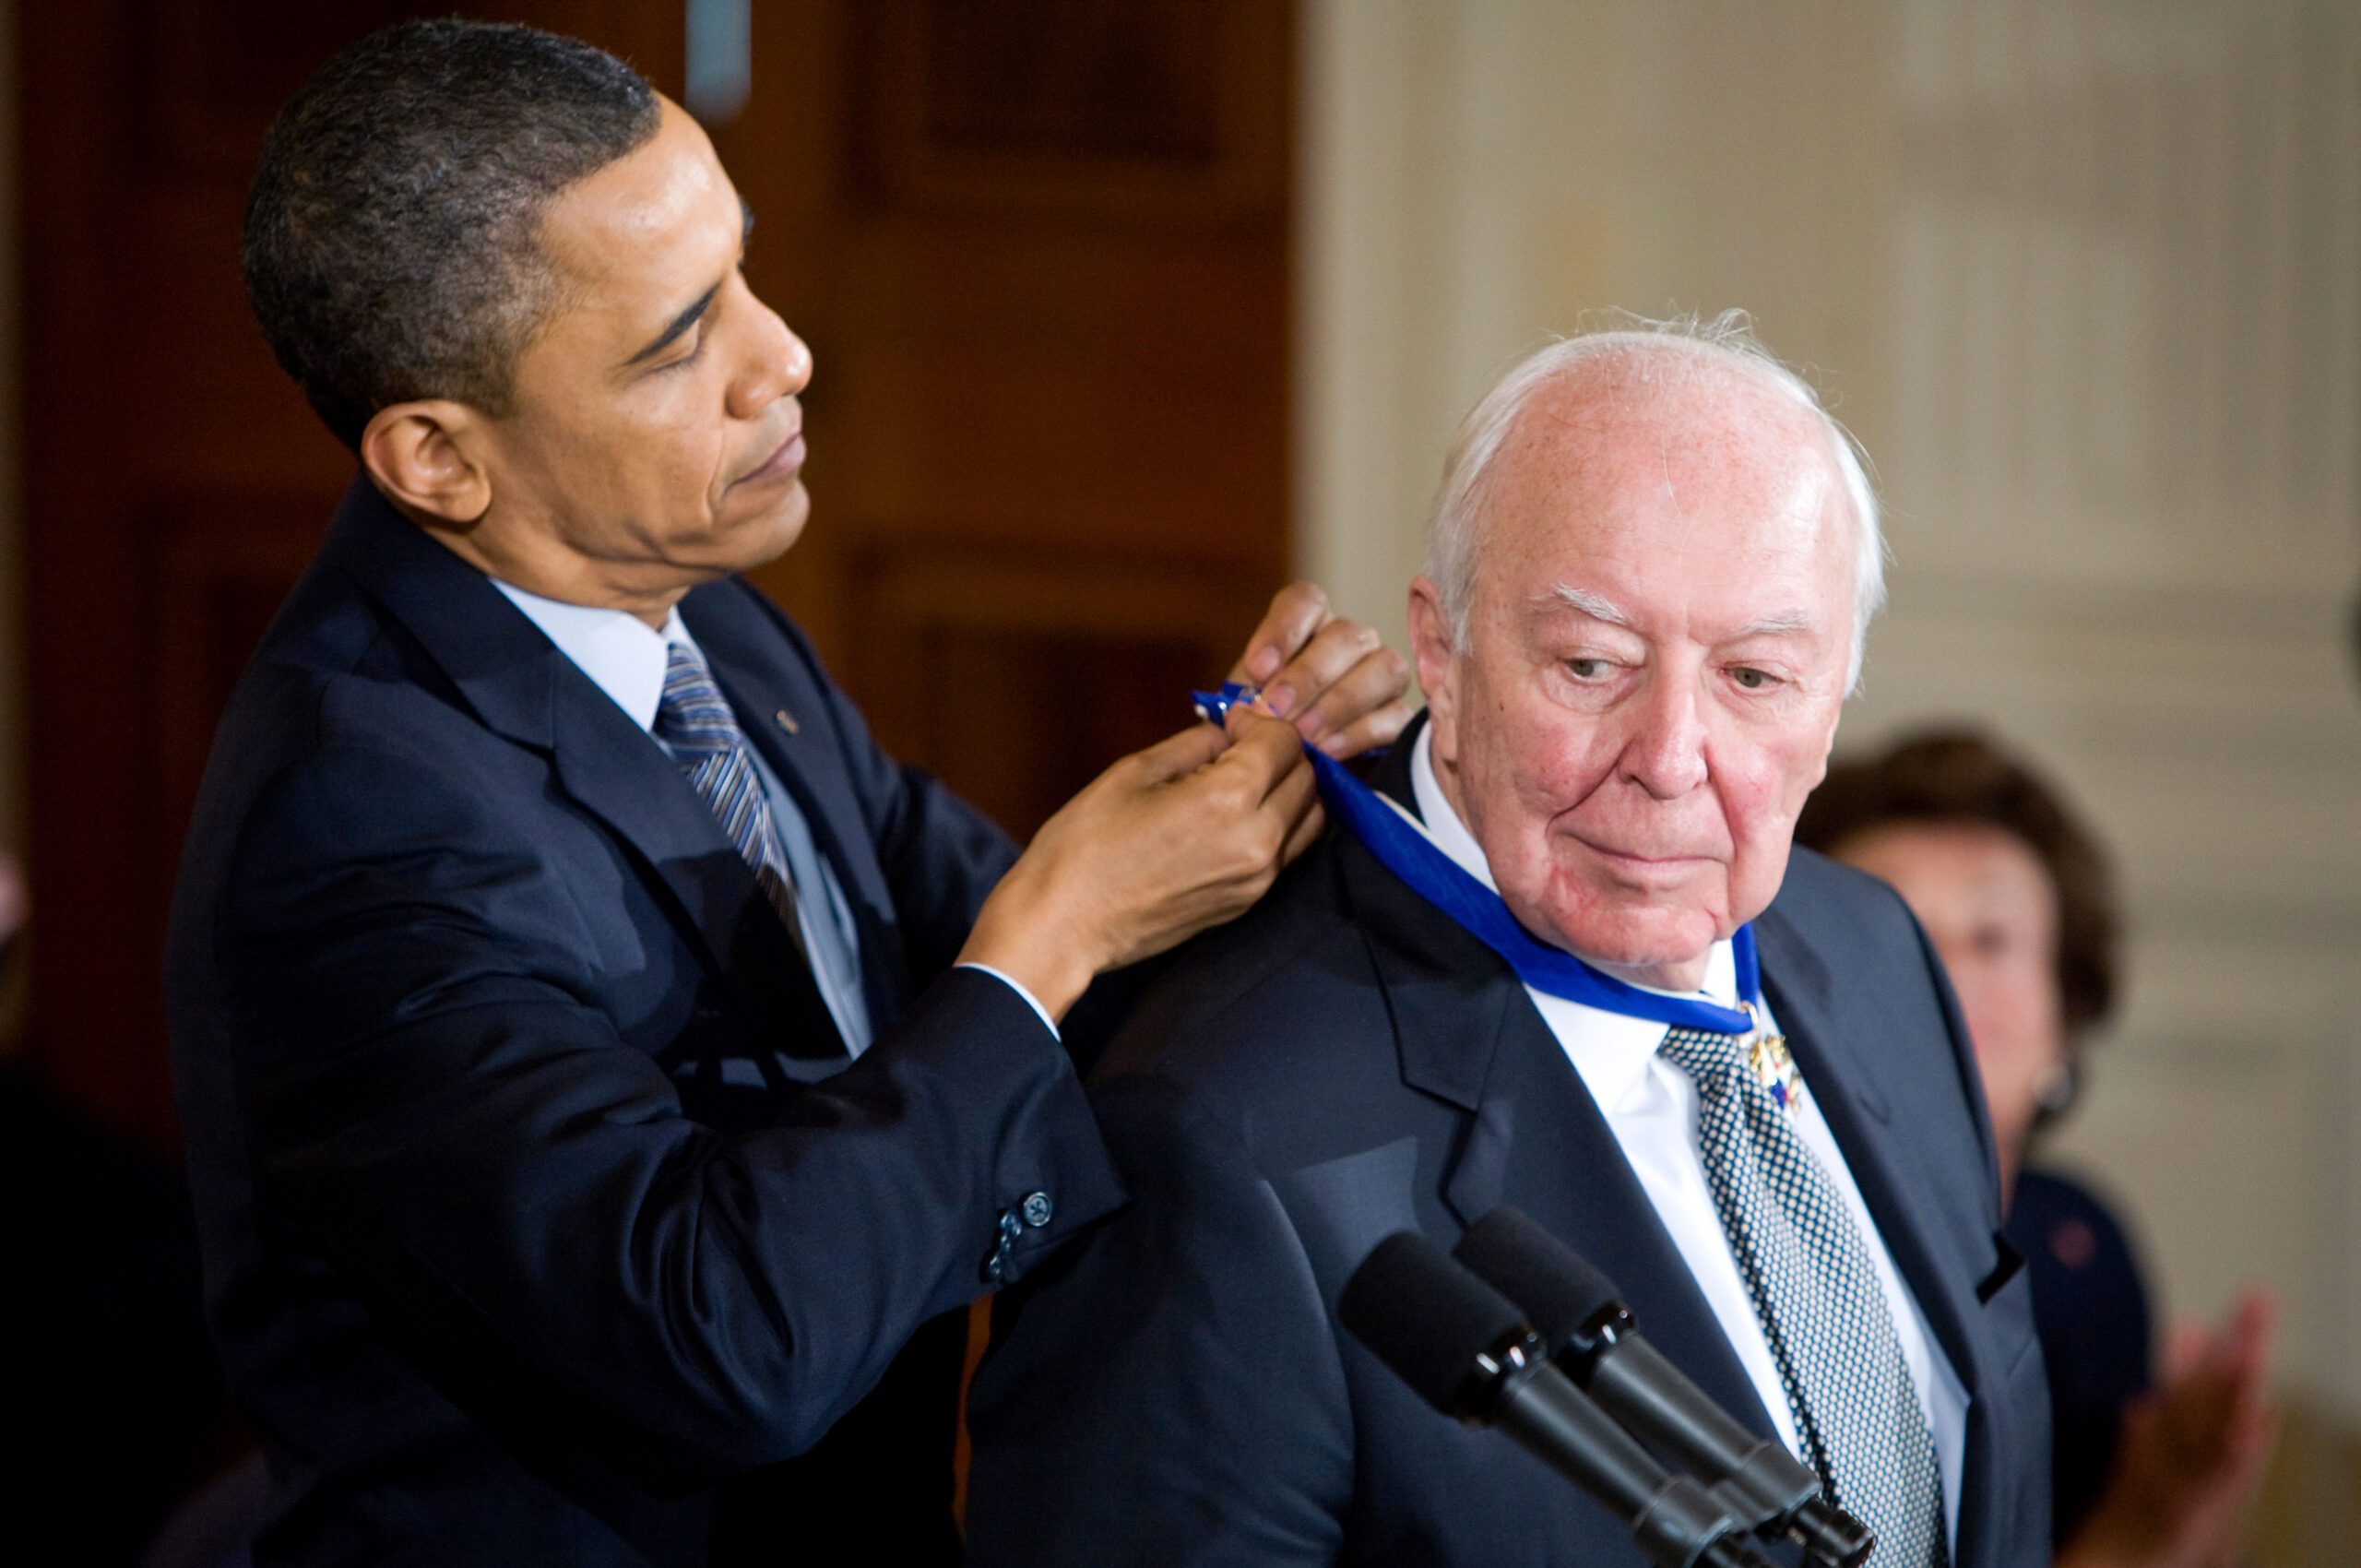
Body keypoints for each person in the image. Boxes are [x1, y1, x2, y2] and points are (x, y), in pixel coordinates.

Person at [165, 21, 1410, 1568]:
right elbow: (721, 1341)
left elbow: (1014, 957)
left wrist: (1281, 774)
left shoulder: (705, 617)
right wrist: (1052, 939)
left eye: (742, 269)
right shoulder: (356, 829)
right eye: (679, 343)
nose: (784, 357)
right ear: (437, 458)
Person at [966, 316, 2050, 1567]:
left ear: (1839, 688)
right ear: (1442, 647)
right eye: (1592, 664)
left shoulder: (1876, 954)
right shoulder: (1213, 1143)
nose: (1671, 760)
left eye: (1754, 678)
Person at [1799, 731, 2277, 1568]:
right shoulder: (1729, 1216)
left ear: (2063, 1020)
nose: (1943, 975)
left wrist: (2164, 1511)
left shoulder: (2077, 1248)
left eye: (1991, 938)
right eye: (1892, 930)